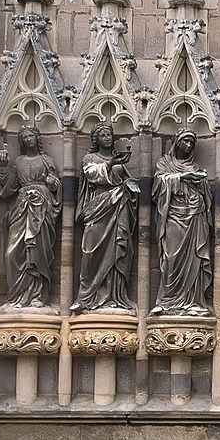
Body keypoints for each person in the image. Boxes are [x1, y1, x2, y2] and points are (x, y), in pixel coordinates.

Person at [71, 123, 138, 313]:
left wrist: (130, 186)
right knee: (90, 251)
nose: (107, 138)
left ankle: (114, 295)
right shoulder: (90, 158)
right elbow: (92, 175)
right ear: (96, 139)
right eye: (103, 135)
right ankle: (85, 297)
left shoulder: (119, 163)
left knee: (118, 249)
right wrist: (111, 163)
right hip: (97, 207)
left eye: (109, 134)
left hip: (118, 208)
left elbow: (128, 181)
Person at [0, 124, 61, 309]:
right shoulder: (18, 162)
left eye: (30, 136)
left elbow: (56, 186)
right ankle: (16, 296)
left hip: (42, 208)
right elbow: (7, 189)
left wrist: (53, 184)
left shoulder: (46, 160)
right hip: (21, 207)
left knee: (38, 251)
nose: (28, 139)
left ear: (37, 138)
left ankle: (37, 296)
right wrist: (3, 168)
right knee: (12, 253)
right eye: (24, 137)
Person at [151, 127, 212, 317]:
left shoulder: (194, 167)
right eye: (185, 141)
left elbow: (206, 193)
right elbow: (157, 186)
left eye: (191, 143)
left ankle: (193, 300)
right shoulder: (165, 163)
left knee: (194, 257)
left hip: (195, 215)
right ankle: (168, 299)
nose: (188, 145)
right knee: (172, 256)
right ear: (177, 142)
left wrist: (200, 181)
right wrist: (182, 177)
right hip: (174, 216)